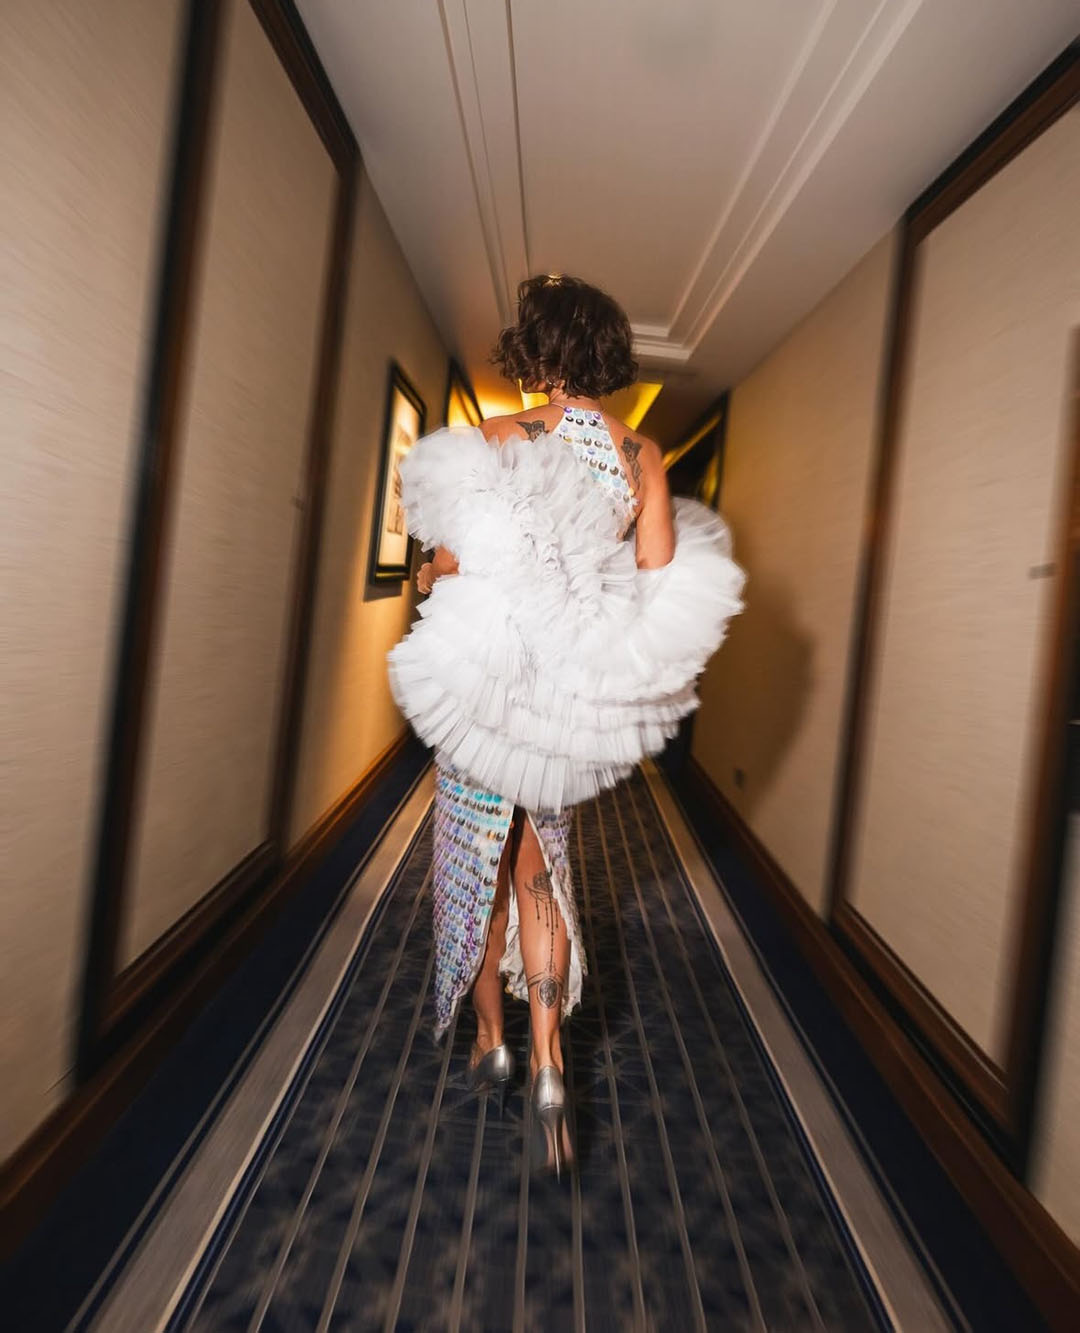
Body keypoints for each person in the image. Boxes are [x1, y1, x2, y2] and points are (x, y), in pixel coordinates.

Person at [388, 274, 744, 1177]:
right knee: (541, 866)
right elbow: (653, 582)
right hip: (560, 703)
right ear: (604, 354)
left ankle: (491, 1041)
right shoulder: (643, 457)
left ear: (536, 350)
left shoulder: (497, 437)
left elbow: (455, 557)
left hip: (489, 690)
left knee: (474, 865)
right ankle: (551, 1052)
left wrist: (429, 575)